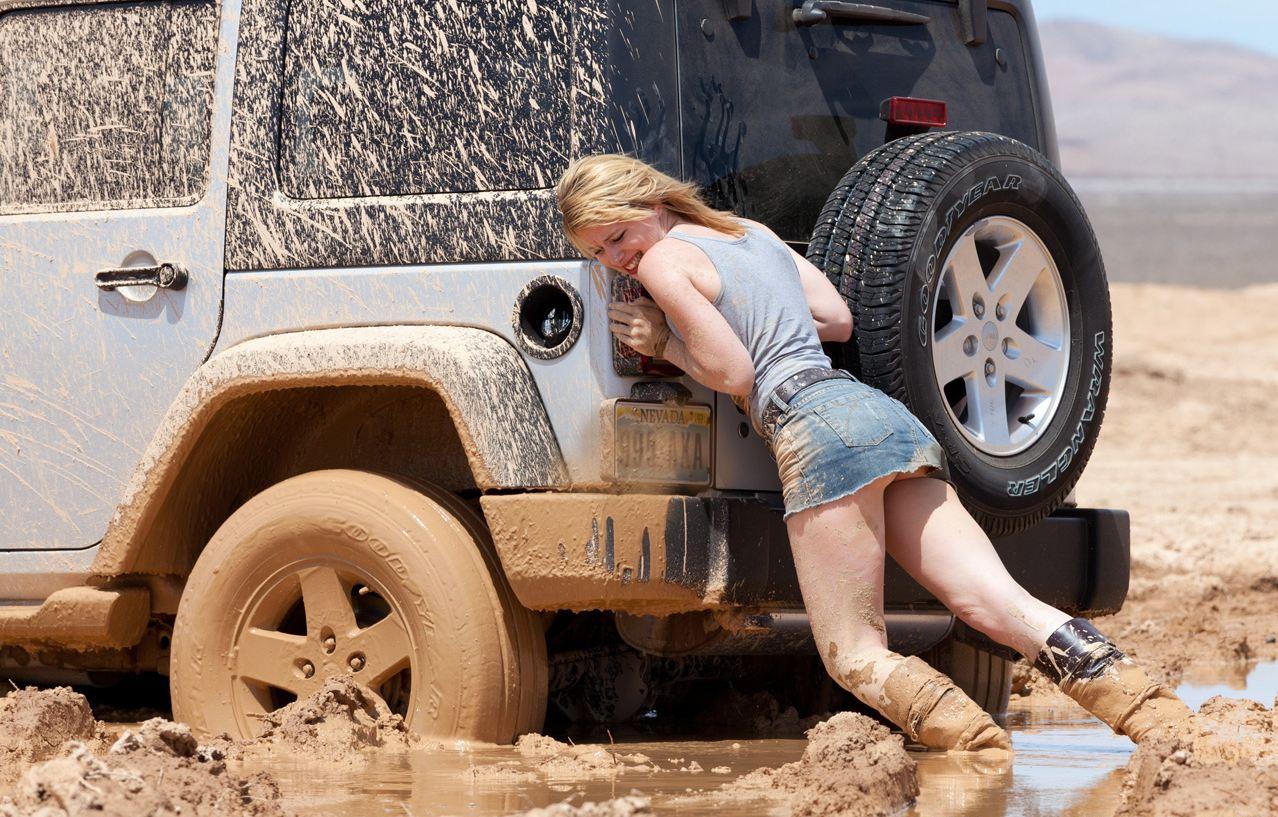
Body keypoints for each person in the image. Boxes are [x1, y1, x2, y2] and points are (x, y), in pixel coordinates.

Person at [555, 154, 1192, 752]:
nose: (617, 259)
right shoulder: (749, 232)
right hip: (882, 418)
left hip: (815, 430)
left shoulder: (668, 261)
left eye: (616, 236)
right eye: (598, 253)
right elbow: (835, 318)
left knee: (854, 653)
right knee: (997, 602)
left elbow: (734, 373)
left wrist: (664, 341)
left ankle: (980, 757)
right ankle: (1158, 719)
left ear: (647, 199)